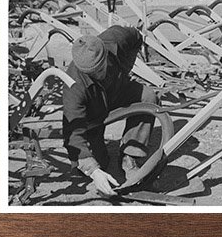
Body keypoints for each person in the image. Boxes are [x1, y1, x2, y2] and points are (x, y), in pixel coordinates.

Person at [62, 26, 156, 197]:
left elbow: (136, 36)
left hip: (117, 90)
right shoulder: (73, 85)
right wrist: (93, 171)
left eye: (99, 69)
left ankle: (131, 155)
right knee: (98, 164)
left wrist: (125, 69)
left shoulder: (115, 39)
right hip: (93, 109)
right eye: (91, 73)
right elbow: (72, 133)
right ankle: (99, 157)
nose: (97, 75)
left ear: (105, 54)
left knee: (147, 96)